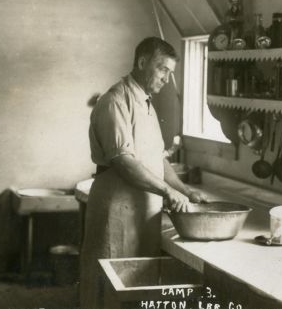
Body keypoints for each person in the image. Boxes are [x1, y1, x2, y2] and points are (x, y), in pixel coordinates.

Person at [80, 37, 208, 309]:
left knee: (137, 288)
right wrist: (167, 191)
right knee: (110, 286)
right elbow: (124, 162)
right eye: (163, 69)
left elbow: (157, 162)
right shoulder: (115, 101)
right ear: (142, 62)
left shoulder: (146, 104)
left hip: (143, 211)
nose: (167, 78)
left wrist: (186, 191)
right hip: (117, 208)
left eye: (170, 72)